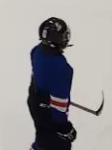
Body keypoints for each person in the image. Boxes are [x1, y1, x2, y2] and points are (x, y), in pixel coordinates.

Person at [28, 18, 77, 150]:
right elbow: (59, 103)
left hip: (35, 101)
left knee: (43, 140)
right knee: (57, 144)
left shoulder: (36, 51)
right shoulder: (61, 67)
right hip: (48, 112)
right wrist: (64, 128)